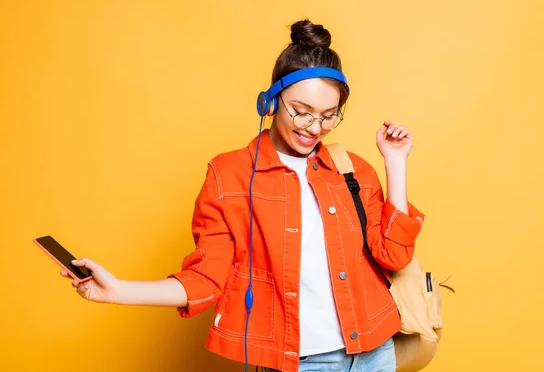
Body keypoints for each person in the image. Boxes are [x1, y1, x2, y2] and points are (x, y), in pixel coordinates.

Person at [61, 19, 425, 372]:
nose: (315, 128)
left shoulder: (352, 170)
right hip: (300, 364)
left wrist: (395, 163)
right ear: (268, 101)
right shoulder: (230, 174)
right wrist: (119, 290)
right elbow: (206, 277)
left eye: (329, 116)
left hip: (375, 352)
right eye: (301, 113)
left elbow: (393, 255)